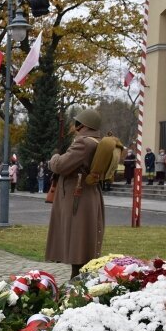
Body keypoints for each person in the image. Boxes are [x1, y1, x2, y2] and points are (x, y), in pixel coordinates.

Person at [45, 108, 105, 279]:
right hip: (89, 194)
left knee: (78, 240)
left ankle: (77, 282)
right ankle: (79, 279)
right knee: (83, 239)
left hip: (78, 197)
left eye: (76, 123)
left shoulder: (83, 143)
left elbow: (60, 166)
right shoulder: (97, 141)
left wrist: (55, 157)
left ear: (82, 125)